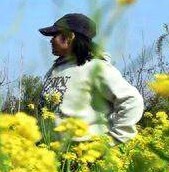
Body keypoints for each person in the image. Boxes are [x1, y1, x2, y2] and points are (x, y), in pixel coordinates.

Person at [38, 13, 143, 143]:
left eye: (55, 35)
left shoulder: (96, 68)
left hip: (85, 151)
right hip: (53, 151)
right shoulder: (55, 69)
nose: (51, 40)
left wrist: (114, 139)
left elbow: (132, 100)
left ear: (70, 36)